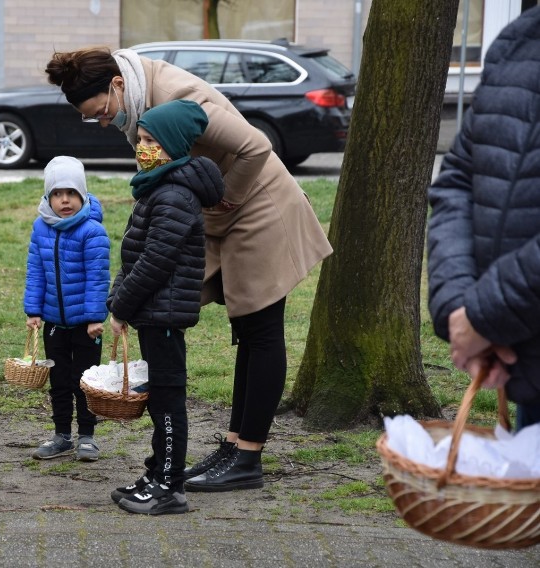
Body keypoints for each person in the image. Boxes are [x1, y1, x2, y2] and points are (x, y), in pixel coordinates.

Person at [45, 47, 332, 492]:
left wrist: (224, 200)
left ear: (117, 85)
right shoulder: (138, 103)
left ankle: (247, 458)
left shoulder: (176, 95)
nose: (102, 122)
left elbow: (256, 146)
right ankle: (234, 445)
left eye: (100, 111)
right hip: (218, 212)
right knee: (247, 333)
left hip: (259, 208)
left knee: (261, 329)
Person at [106, 99, 224, 515]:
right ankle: (156, 472)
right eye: (139, 139)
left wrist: (120, 308)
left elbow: (155, 261)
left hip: (165, 314)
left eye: (151, 140)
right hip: (154, 312)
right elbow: (133, 255)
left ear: (172, 144)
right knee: (160, 396)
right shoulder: (159, 187)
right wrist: (117, 300)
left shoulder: (173, 194)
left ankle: (170, 487)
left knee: (168, 399)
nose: (142, 147)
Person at [427, 6, 540, 430]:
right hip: (525, 366)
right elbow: (459, 179)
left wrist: (484, 315)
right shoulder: (518, 41)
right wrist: (458, 305)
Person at [24, 156, 111, 461]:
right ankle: (62, 435)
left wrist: (93, 317)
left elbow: (98, 277)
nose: (65, 200)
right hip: (53, 323)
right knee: (59, 381)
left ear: (82, 195)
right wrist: (33, 310)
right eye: (57, 194)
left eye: (71, 193)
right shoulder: (41, 228)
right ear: (48, 197)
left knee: (84, 381)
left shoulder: (92, 231)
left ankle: (87, 436)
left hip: (86, 326)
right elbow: (36, 270)